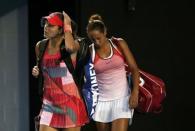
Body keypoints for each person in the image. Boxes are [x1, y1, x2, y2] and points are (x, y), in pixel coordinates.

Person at [32, 11, 89, 131]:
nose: (46, 28)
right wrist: (37, 70)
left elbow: (70, 48)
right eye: (46, 24)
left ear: (60, 30)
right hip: (49, 103)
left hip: (70, 103)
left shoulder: (75, 45)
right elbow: (44, 69)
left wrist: (67, 25)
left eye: (51, 25)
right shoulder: (40, 46)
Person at [86, 14, 140, 131]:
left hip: (122, 99)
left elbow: (134, 69)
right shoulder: (90, 51)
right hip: (101, 102)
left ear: (105, 32)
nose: (97, 42)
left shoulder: (119, 44)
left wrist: (135, 92)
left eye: (98, 38)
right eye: (92, 39)